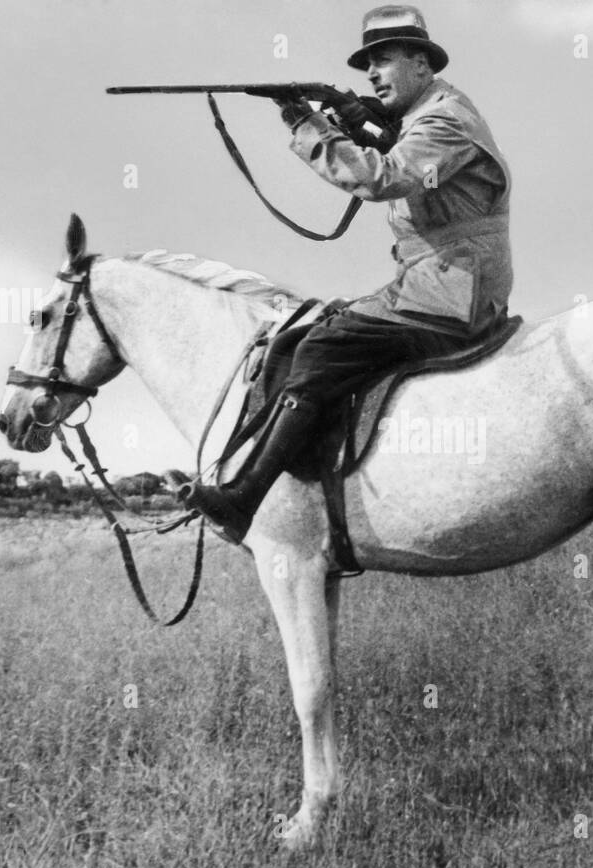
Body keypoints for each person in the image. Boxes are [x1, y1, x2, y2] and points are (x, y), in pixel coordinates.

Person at [186, 4, 514, 543]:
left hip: (450, 296)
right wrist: (358, 118)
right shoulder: (434, 113)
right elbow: (401, 157)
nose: (372, 74)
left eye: (383, 60)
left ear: (421, 64)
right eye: (368, 65)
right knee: (311, 329)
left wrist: (305, 122)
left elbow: (382, 177)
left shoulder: (443, 121)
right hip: (438, 284)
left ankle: (244, 499)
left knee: (320, 349)